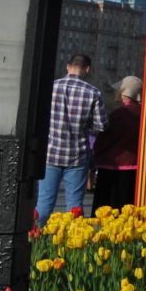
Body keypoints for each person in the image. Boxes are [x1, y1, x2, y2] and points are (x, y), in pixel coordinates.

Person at [36, 53, 104, 221]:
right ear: (88, 69)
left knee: (44, 203)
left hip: (50, 154)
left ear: (68, 66)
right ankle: (71, 244)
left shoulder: (51, 87)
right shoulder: (93, 93)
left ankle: (37, 240)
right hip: (77, 156)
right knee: (74, 206)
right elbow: (101, 125)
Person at [90, 76, 142, 214]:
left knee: (107, 210)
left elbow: (106, 137)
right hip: (135, 166)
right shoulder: (144, 112)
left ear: (124, 93)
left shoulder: (120, 113)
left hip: (113, 167)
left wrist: (96, 152)